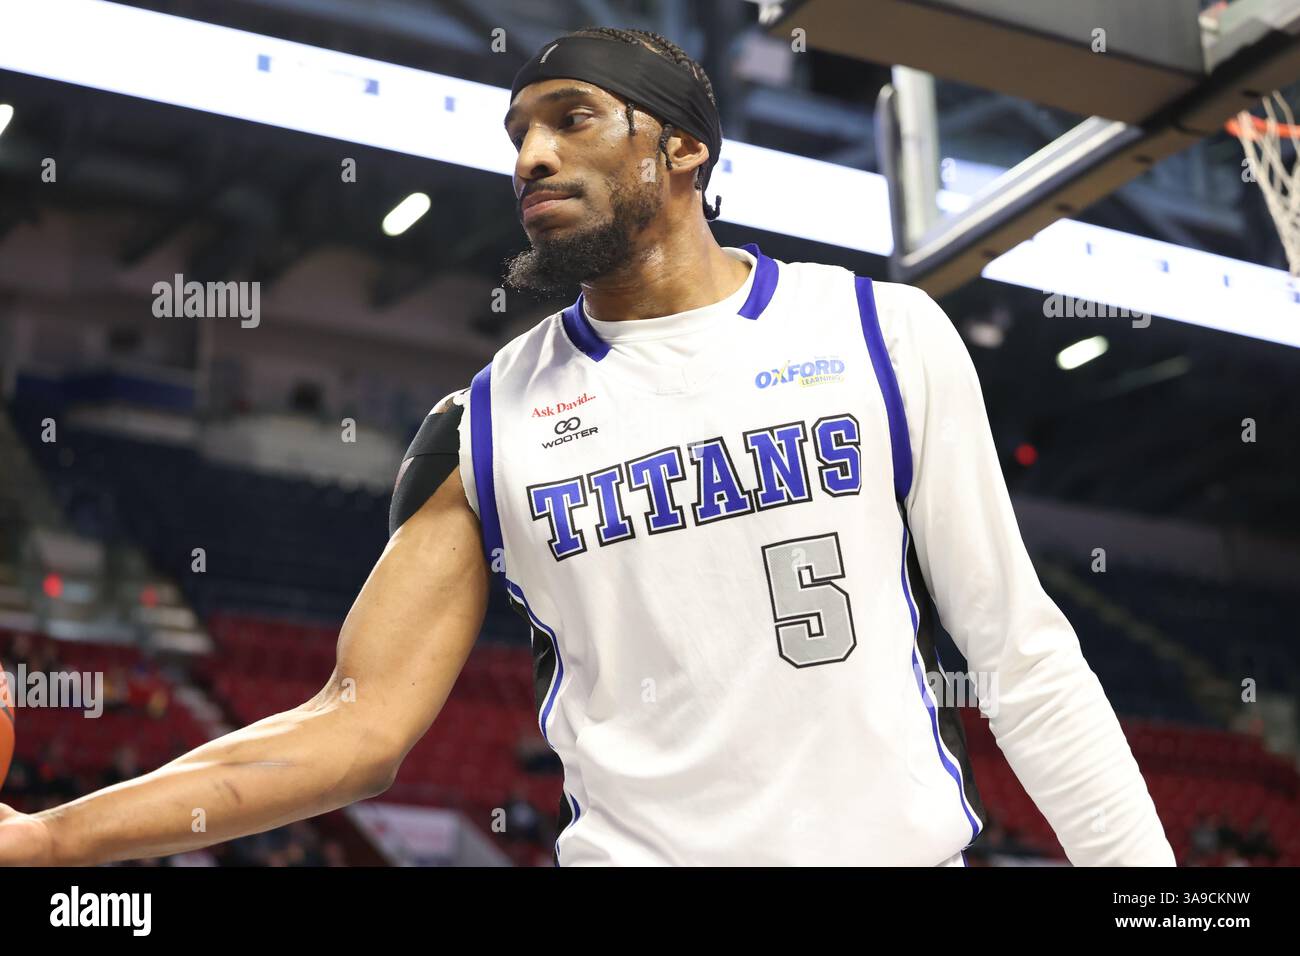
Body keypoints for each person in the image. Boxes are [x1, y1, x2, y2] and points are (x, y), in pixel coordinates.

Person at [0, 26, 1173, 868]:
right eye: (518, 133)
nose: (529, 156)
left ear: (683, 150)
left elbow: (1021, 658)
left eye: (571, 120)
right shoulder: (483, 422)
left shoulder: (879, 332)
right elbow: (354, 721)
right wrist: (52, 837)